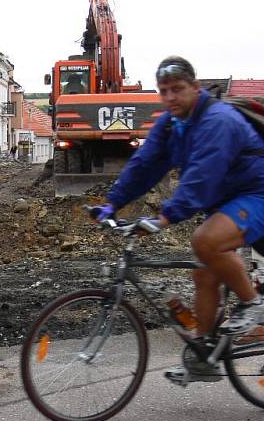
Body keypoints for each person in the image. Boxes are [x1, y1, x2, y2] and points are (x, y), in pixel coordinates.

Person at [93, 55, 264, 384]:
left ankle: (253, 304)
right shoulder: (172, 124)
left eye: (177, 89)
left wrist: (165, 217)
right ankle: (205, 356)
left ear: (195, 88)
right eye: (163, 91)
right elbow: (144, 163)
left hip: (256, 194)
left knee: (205, 241)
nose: (170, 97)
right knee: (204, 276)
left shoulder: (218, 120)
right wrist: (111, 204)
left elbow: (202, 176)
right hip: (226, 200)